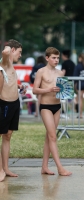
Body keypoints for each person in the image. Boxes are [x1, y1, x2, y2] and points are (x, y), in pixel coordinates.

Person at [33, 47, 72, 176]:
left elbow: (64, 91)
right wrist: (48, 90)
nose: (56, 60)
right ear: (47, 58)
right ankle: (60, 168)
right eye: (54, 58)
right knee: (53, 137)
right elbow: (35, 90)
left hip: (57, 106)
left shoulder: (60, 73)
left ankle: (44, 166)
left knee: (49, 137)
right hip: (45, 106)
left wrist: (66, 92)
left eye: (58, 58)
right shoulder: (41, 71)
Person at [0, 39, 26, 180]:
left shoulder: (12, 66)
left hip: (14, 104)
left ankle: (6, 168)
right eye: (19, 52)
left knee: (8, 136)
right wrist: (8, 49)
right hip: (4, 104)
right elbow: (5, 53)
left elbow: (8, 82)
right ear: (13, 50)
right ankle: (0, 170)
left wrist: (19, 86)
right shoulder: (4, 62)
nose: (20, 55)